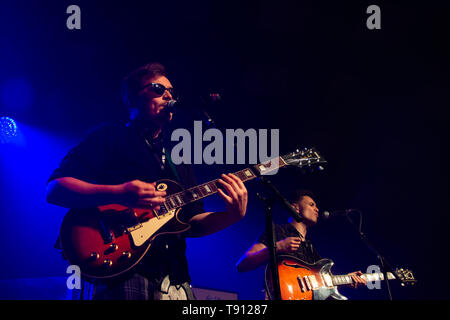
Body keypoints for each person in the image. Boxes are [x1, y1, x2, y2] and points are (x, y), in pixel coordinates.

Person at [46, 62, 248, 300]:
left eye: (171, 91)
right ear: (133, 98)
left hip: (176, 278)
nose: (168, 95)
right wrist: (120, 192)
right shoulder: (109, 137)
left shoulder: (179, 159)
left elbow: (192, 222)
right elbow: (55, 189)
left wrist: (231, 215)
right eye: (157, 88)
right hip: (123, 272)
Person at [236, 189, 366, 299]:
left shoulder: (310, 248)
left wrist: (347, 279)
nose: (317, 209)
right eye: (311, 205)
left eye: (316, 205)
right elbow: (242, 264)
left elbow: (322, 282)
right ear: (295, 208)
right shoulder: (278, 231)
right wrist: (279, 247)